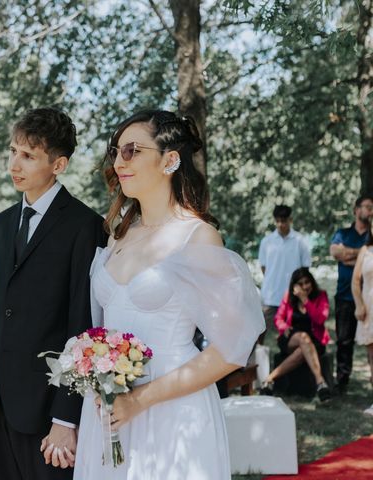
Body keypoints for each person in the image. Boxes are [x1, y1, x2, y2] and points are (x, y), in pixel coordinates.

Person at [73, 110, 264, 479]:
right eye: (116, 151)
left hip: (172, 406)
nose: (118, 161)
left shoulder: (198, 237)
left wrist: (140, 399)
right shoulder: (117, 235)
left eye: (132, 151)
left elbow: (229, 350)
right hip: (111, 407)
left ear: (170, 159)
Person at [0, 107, 107, 480]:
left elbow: (83, 326)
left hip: (47, 412)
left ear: (58, 164)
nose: (15, 163)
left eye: (28, 156)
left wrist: (65, 417)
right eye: (12, 151)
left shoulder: (85, 226)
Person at [260, 268, 331, 401]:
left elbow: (320, 319)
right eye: (300, 283)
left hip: (315, 340)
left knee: (301, 350)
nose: (304, 287)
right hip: (291, 337)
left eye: (307, 282)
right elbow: (278, 318)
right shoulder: (289, 296)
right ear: (295, 285)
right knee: (302, 337)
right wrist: (283, 326)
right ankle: (320, 382)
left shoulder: (321, 296)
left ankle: (269, 379)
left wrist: (305, 301)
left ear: (312, 282)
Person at [330, 195, 373, 393]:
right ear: (356, 210)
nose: (370, 211)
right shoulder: (343, 233)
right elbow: (336, 253)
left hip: (369, 299)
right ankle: (342, 381)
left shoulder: (371, 235)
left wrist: (350, 255)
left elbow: (345, 256)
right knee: (344, 340)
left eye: (372, 208)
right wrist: (362, 254)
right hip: (345, 295)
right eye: (366, 207)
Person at [258, 205, 311, 342]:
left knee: (292, 334)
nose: (281, 224)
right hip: (270, 296)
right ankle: (256, 361)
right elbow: (264, 268)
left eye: (284, 220)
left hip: (292, 297)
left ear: (290, 220)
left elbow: (305, 270)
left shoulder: (300, 241)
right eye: (278, 221)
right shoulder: (266, 242)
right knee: (259, 333)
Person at [352, 225, 373, 405]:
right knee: (372, 355)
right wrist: (359, 305)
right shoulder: (365, 251)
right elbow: (355, 281)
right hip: (369, 308)